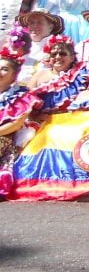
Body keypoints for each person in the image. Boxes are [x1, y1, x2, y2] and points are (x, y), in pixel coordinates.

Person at [0, 40, 39, 198]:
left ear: (14, 75)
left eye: (4, 69)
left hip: (7, 136)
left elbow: (16, 124)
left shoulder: (22, 95)